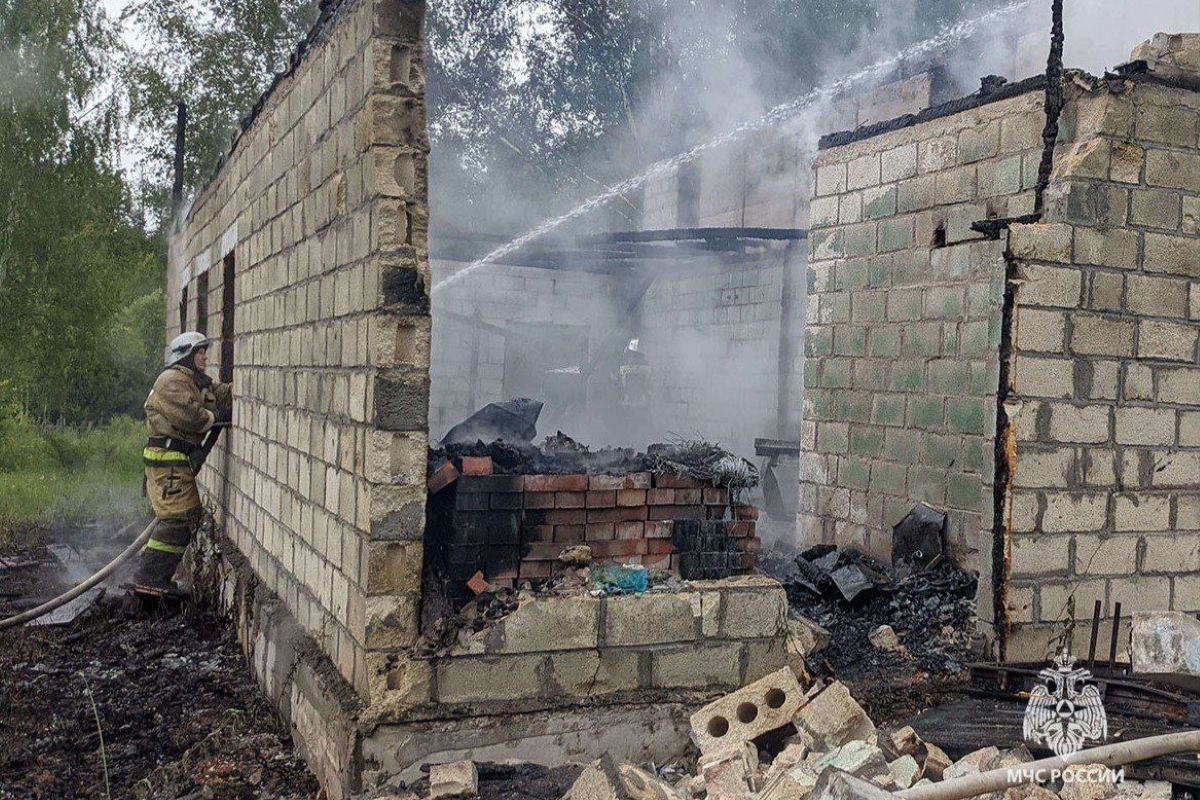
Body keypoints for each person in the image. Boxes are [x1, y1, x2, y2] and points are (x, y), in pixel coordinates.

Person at [134, 331, 232, 595]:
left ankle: (150, 576)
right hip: (166, 462)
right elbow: (192, 417)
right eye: (199, 352)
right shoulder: (171, 381)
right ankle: (150, 580)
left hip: (174, 462)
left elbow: (219, 395)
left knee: (181, 517)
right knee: (178, 518)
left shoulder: (193, 381)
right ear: (186, 355)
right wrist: (218, 416)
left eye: (204, 351)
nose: (205, 357)